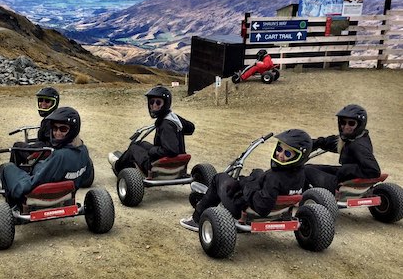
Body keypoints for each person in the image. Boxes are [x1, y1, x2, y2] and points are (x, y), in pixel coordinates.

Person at [180, 129, 312, 232]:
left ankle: (196, 219)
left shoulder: (273, 178)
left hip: (243, 207)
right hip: (278, 207)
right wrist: (255, 179)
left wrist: (245, 184)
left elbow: (262, 207)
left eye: (287, 153)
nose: (280, 155)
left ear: (299, 157)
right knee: (257, 172)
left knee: (219, 178)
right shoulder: (300, 173)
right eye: (279, 149)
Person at [0, 107, 94, 206]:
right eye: (54, 128)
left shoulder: (60, 156)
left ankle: (12, 205)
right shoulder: (83, 151)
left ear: (73, 130)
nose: (57, 133)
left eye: (63, 129)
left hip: (43, 195)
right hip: (68, 191)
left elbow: (34, 184)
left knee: (8, 168)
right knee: (38, 165)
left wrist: (19, 186)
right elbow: (86, 176)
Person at [108, 85, 195, 175]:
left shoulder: (166, 125)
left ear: (166, 104)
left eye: (158, 103)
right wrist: (177, 126)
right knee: (141, 144)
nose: (154, 106)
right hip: (177, 164)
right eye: (151, 102)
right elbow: (191, 128)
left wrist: (152, 151)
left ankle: (117, 166)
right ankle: (125, 161)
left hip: (158, 167)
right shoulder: (173, 118)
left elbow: (171, 151)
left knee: (133, 148)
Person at [305, 104, 380, 194]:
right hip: (345, 176)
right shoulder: (353, 138)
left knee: (305, 170)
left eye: (351, 123)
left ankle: (304, 195)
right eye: (343, 122)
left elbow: (374, 170)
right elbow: (329, 142)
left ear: (360, 124)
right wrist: (308, 144)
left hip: (345, 182)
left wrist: (346, 170)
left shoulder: (358, 146)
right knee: (309, 167)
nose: (346, 127)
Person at [10, 87, 60, 164]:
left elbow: (49, 143)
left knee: (16, 146)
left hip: (44, 153)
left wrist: (32, 147)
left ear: (54, 103)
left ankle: (13, 172)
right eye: (40, 100)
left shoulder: (50, 121)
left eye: (47, 101)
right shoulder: (56, 116)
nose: (43, 104)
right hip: (45, 150)